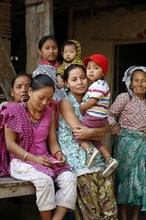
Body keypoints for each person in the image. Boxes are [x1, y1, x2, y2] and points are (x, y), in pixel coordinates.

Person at [1, 74, 77, 220]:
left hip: (45, 159)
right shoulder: (14, 111)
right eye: (41, 97)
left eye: (49, 99)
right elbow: (10, 144)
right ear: (30, 92)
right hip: (21, 161)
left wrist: (58, 154)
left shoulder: (49, 112)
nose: (45, 102)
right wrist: (34, 159)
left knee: (70, 178)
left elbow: (52, 141)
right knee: (45, 181)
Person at [58, 64, 118, 220]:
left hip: (99, 160)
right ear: (66, 83)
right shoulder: (65, 102)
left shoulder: (94, 99)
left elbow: (105, 128)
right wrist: (97, 132)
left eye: (83, 77)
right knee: (90, 211)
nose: (79, 82)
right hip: (79, 159)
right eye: (74, 79)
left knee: (109, 209)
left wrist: (94, 132)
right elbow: (80, 131)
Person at [108, 66, 146, 220]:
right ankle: (123, 216)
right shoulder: (125, 97)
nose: (140, 84)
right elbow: (110, 114)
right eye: (136, 80)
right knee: (125, 180)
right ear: (130, 83)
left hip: (142, 144)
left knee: (141, 179)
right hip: (126, 143)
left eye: (144, 81)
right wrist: (114, 125)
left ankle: (135, 216)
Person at [73, 54, 118, 177]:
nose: (91, 71)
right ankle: (109, 159)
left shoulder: (99, 85)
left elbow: (92, 101)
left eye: (96, 68)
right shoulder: (97, 84)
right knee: (96, 140)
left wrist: (81, 108)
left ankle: (89, 150)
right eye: (89, 68)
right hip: (100, 119)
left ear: (103, 72)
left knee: (78, 134)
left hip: (93, 117)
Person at [32, 35, 66, 102]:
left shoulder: (66, 68)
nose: (51, 51)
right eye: (47, 48)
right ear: (40, 52)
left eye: (54, 48)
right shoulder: (39, 73)